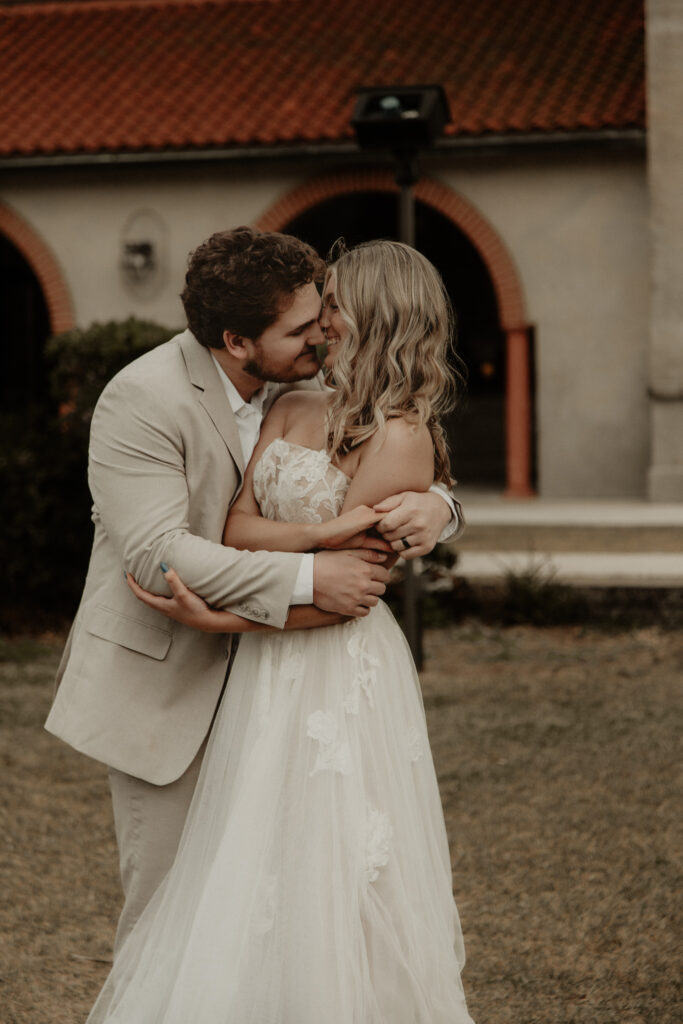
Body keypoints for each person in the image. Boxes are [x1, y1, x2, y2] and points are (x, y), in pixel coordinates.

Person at [87, 240, 474, 1023]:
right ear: (238, 343)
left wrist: (441, 507)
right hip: (182, 678)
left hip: (319, 670)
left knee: (323, 884)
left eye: (329, 309)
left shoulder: (360, 416)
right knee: (184, 907)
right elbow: (193, 542)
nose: (320, 328)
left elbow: (361, 573)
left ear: (371, 320)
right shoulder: (156, 397)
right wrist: (318, 547)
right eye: (306, 320)